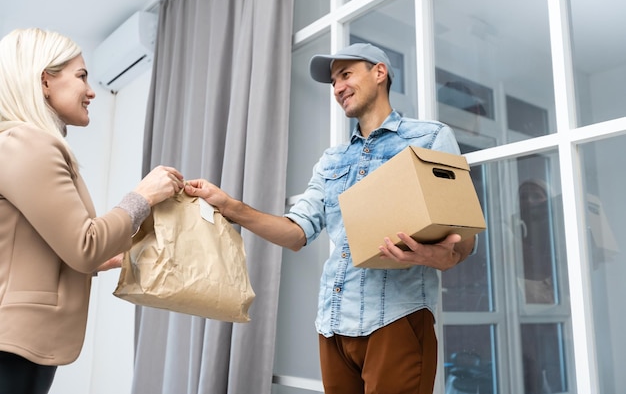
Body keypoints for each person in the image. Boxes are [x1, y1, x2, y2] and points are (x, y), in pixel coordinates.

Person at [184, 43, 476, 394]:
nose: (337, 87)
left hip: (396, 319)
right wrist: (229, 206)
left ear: (379, 73)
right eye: (334, 81)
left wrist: (441, 257)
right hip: (333, 326)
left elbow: (465, 235)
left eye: (346, 74)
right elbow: (295, 233)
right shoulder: (332, 160)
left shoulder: (430, 137)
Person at [0, 28, 185, 394]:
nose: (91, 90)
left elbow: (44, 247)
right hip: (12, 345)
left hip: (23, 345)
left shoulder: (23, 145)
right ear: (45, 81)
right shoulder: (27, 143)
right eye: (81, 75)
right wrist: (143, 196)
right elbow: (84, 244)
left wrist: (104, 258)